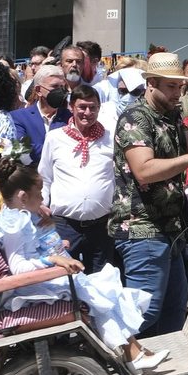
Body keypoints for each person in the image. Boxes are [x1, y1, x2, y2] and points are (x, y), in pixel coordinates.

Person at [0, 159, 167, 372]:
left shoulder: (22, 217)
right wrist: (52, 260)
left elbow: (35, 247)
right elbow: (18, 267)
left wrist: (48, 231)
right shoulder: (13, 224)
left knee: (104, 289)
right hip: (29, 292)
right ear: (23, 197)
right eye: (39, 194)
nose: (43, 198)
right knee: (95, 294)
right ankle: (132, 355)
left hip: (42, 283)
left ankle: (135, 350)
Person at [110, 52, 188, 375]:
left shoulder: (170, 114)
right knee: (144, 311)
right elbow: (145, 171)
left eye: (181, 87)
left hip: (169, 229)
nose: (178, 94)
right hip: (141, 229)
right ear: (150, 84)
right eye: (172, 87)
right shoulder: (134, 117)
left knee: (173, 314)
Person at [37, 84, 117, 274]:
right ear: (71, 107)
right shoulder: (55, 138)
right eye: (82, 107)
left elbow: (119, 177)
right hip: (64, 226)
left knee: (100, 283)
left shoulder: (110, 138)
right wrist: (41, 204)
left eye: (93, 107)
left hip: (101, 227)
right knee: (62, 280)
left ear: (99, 108)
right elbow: (45, 177)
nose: (87, 112)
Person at [10, 64, 70, 160]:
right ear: (38, 90)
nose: (60, 91)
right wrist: (61, 150)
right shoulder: (19, 117)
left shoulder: (70, 118)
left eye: (62, 87)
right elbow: (22, 149)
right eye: (54, 86)